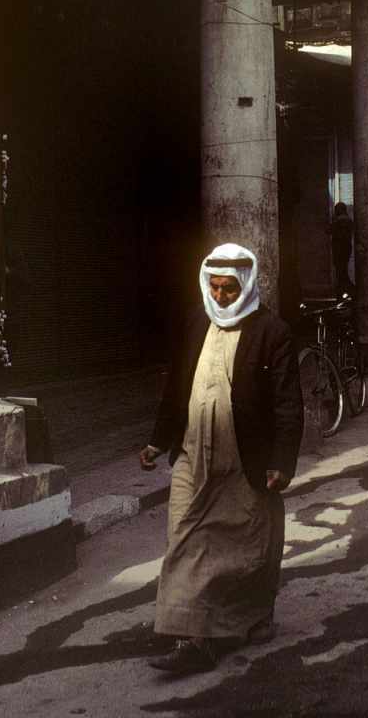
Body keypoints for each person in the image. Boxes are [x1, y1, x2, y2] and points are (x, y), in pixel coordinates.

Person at [139, 243, 303, 676]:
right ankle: (191, 631)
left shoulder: (272, 332)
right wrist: (158, 441)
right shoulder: (197, 321)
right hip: (193, 449)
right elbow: (177, 386)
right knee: (184, 534)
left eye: (229, 289)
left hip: (243, 455)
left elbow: (287, 404)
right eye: (214, 287)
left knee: (244, 543)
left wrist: (281, 461)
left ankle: (246, 618)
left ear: (245, 285)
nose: (220, 296)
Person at [330, 202, 353, 292]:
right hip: (346, 248)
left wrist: (333, 220)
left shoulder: (338, 220)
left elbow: (328, 230)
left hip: (339, 249)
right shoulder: (349, 220)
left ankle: (347, 291)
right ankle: (345, 291)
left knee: (341, 272)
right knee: (343, 270)